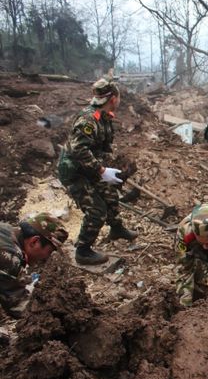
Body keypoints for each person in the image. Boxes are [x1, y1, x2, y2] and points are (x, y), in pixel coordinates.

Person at [58, 75, 137, 265]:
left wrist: (113, 169)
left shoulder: (104, 118)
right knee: (96, 210)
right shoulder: (88, 120)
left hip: (89, 168)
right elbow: (79, 150)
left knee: (110, 194)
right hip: (75, 172)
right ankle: (83, 251)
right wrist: (101, 171)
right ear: (113, 99)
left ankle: (116, 228)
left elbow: (100, 149)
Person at [0, 213, 68, 317]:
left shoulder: (7, 230)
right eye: (49, 252)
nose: (47, 257)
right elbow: (17, 305)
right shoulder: (10, 255)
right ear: (34, 241)